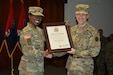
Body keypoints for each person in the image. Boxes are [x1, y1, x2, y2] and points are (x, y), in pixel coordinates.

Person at [64, 4, 100, 75]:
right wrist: (53, 52)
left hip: (84, 68)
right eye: (78, 14)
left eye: (83, 14)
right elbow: (66, 46)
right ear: (75, 16)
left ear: (88, 16)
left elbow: (95, 51)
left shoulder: (93, 31)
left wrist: (76, 52)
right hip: (71, 66)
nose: (80, 17)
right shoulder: (72, 30)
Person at [18, 6, 52, 75]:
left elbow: (51, 40)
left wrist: (65, 28)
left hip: (39, 68)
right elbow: (28, 51)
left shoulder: (40, 31)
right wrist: (44, 54)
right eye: (35, 16)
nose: (38, 19)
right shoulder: (26, 32)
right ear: (29, 16)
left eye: (40, 17)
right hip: (28, 70)